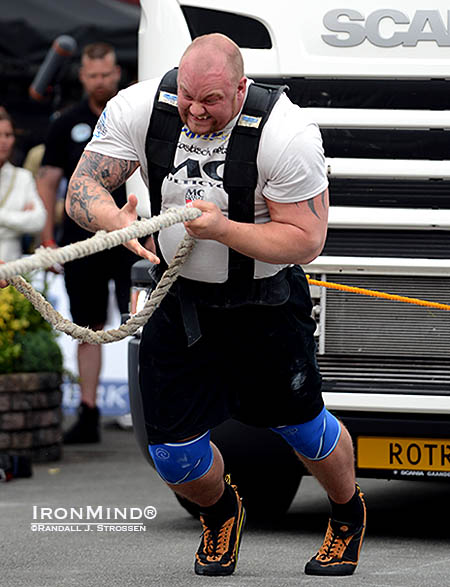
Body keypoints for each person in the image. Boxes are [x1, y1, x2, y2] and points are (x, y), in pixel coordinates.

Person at [65, 34, 366, 577]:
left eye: (211, 100)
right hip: (180, 304)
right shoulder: (139, 107)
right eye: (186, 97)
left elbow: (306, 239)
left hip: (266, 305)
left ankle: (346, 513)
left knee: (304, 430)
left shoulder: (285, 132)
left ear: (240, 87)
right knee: (172, 455)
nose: (196, 112)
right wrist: (119, 222)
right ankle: (221, 512)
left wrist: (224, 229)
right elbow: (82, 188)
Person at [36, 43, 139, 444]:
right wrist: (47, 237)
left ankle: (148, 407)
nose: (100, 82)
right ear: (82, 77)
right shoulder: (67, 123)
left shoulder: (133, 116)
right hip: (82, 240)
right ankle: (90, 409)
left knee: (141, 323)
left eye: (106, 75)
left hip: (133, 236)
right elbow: (48, 181)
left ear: (117, 73)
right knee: (86, 327)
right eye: (92, 75)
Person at [0, 107, 46, 262]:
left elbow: (38, 220)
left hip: (12, 273)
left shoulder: (22, 177)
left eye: (8, 135)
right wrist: (19, 219)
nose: (3, 141)